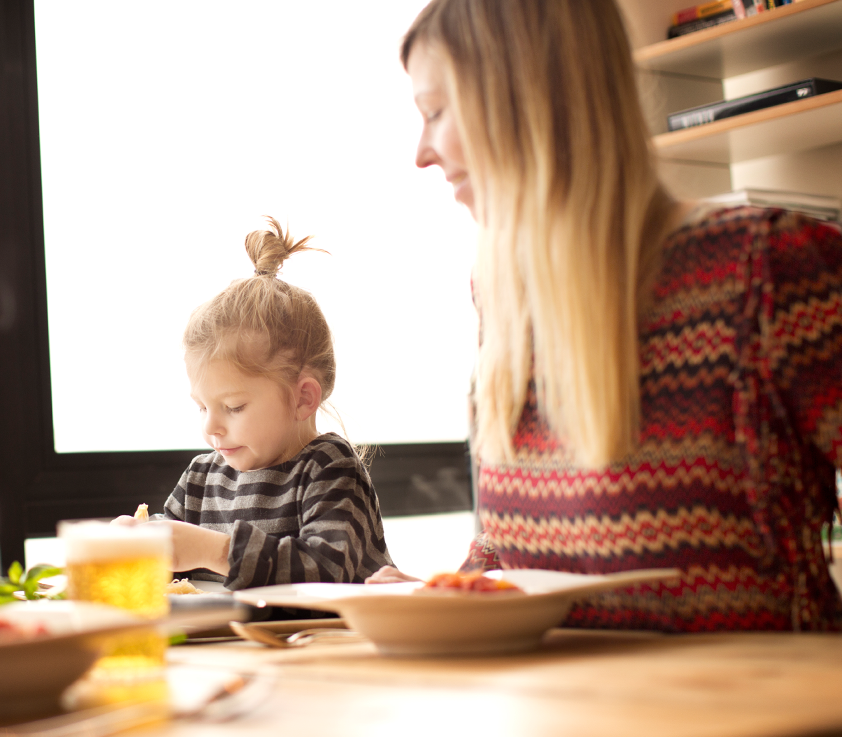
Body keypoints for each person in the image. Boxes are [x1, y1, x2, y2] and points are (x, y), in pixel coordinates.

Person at [367, 0, 842, 632]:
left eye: (434, 112)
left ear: (527, 99)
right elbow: (519, 549)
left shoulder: (767, 266)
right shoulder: (500, 292)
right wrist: (449, 591)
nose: (422, 154)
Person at [115, 218, 393, 590]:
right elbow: (169, 568)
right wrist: (134, 549)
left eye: (233, 407)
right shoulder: (202, 479)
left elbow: (326, 570)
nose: (210, 427)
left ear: (302, 398)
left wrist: (213, 551)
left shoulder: (328, 470)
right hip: (234, 649)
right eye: (202, 407)